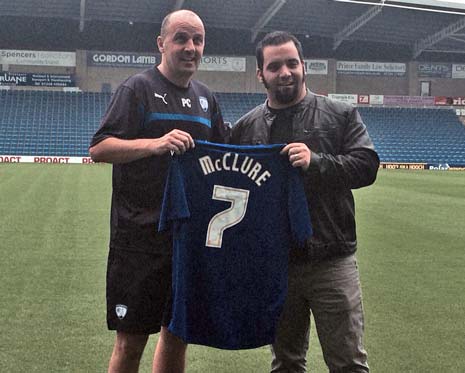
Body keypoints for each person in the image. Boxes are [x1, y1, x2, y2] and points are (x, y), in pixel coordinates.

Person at [89, 10, 229, 373]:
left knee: (176, 336)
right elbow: (100, 148)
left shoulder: (206, 99)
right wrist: (155, 144)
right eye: (181, 38)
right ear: (161, 43)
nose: (190, 47)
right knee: (130, 342)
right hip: (138, 238)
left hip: (186, 240)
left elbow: (225, 157)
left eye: (197, 40)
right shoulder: (137, 89)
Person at [231, 31, 380, 373]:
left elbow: (367, 166)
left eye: (292, 63)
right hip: (277, 264)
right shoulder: (245, 128)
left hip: (332, 259)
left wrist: (317, 161)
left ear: (304, 66)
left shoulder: (340, 115)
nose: (285, 72)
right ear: (260, 74)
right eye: (274, 66)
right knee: (286, 363)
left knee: (348, 363)